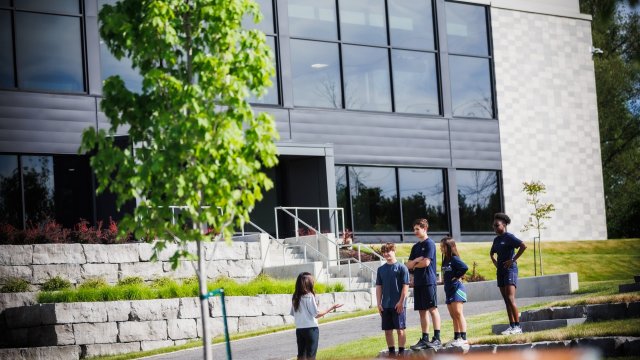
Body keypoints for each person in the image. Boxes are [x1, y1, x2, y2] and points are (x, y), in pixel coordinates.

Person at [406, 218, 442, 350]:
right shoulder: (415, 247)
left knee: (432, 309)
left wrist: (414, 264)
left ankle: (437, 338)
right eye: (414, 229)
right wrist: (416, 261)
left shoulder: (430, 244)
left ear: (424, 229)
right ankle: (425, 338)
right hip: (418, 282)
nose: (414, 231)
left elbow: (426, 263)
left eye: (417, 229)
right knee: (422, 311)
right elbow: (408, 265)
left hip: (428, 281)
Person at [490, 212, 527, 335]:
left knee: (511, 298)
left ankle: (518, 327)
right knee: (506, 300)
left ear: (504, 225)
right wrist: (494, 261)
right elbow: (492, 253)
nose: (494, 228)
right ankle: (512, 326)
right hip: (500, 271)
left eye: (497, 225)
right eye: (493, 226)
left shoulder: (509, 237)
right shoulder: (496, 240)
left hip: (510, 270)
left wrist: (513, 260)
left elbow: (523, 246)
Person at [291, 272, 343, 359]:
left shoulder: (295, 297)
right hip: (311, 329)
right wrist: (331, 308)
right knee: (311, 355)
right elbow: (316, 314)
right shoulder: (310, 296)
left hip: (299, 329)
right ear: (309, 283)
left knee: (301, 355)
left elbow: (294, 313)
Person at [376, 242, 410, 357]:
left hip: (398, 305)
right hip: (385, 305)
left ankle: (401, 352)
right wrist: (378, 303)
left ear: (394, 251)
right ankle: (391, 353)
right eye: (384, 252)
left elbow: (405, 286)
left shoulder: (402, 268)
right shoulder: (381, 269)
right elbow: (379, 287)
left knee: (400, 330)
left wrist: (401, 302)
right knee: (388, 330)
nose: (386, 254)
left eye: (388, 251)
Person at [440, 236, 469, 348]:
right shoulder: (445, 259)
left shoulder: (454, 259)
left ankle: (464, 338)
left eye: (443, 246)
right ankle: (457, 337)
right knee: (453, 315)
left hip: (457, 289)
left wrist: (456, 277)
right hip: (448, 290)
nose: (441, 248)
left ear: (449, 247)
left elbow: (464, 268)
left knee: (458, 313)